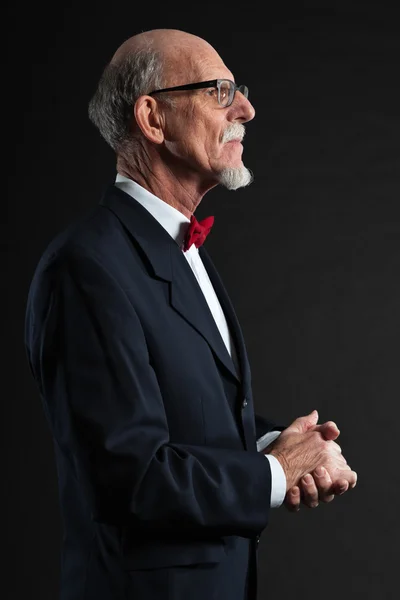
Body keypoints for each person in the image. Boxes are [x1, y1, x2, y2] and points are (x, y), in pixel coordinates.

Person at [24, 28, 357, 600]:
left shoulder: (183, 248)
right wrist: (275, 473)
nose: (247, 110)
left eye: (240, 92)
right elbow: (130, 476)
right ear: (153, 119)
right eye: (221, 92)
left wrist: (284, 444)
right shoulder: (86, 267)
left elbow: (187, 418)